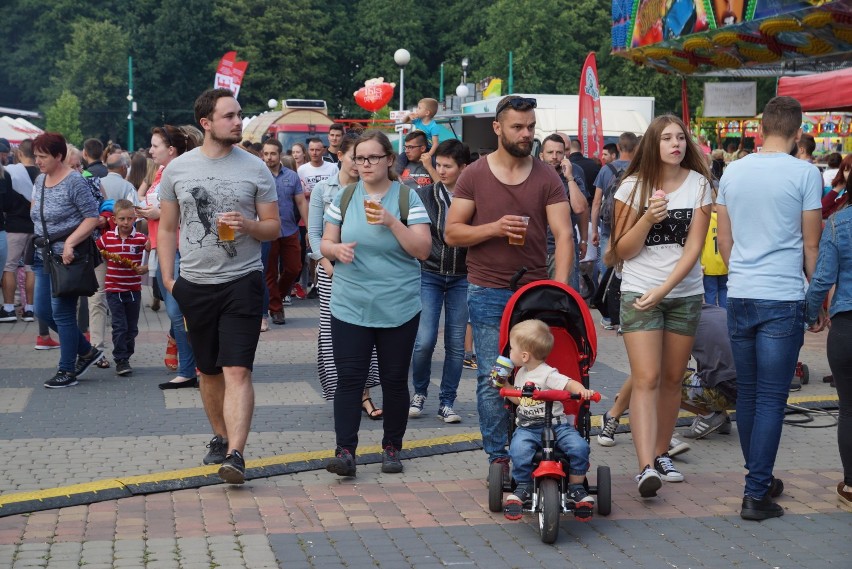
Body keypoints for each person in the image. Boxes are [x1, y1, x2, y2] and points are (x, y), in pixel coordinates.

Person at [445, 95, 574, 479]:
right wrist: (495, 227)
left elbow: (564, 235)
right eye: (518, 127)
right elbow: (452, 233)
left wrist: (561, 290)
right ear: (498, 128)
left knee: (538, 372)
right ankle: (498, 456)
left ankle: (534, 442)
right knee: (494, 377)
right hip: (487, 290)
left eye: (531, 126)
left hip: (534, 292)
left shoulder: (547, 176)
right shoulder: (475, 175)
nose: (527, 134)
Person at [158, 88, 280, 485]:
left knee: (237, 370)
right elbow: (168, 227)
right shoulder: (178, 170)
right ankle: (220, 435)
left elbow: (274, 227)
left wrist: (248, 225)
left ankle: (236, 454)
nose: (238, 121)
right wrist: (168, 278)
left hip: (242, 281)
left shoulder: (256, 168)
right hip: (194, 283)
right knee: (208, 370)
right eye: (229, 116)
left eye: (239, 114)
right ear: (207, 123)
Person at [716, 96, 823, 521]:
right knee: (772, 398)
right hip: (782, 296)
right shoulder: (805, 173)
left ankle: (759, 477)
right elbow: (811, 244)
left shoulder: (734, 172)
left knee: (750, 393)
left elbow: (724, 242)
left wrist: (742, 270)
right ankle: (756, 492)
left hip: (740, 293)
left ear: (761, 129)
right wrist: (818, 299)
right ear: (798, 134)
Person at [606, 114, 712, 497]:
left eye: (680, 138)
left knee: (672, 378)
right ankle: (645, 466)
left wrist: (666, 289)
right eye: (667, 138)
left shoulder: (699, 185)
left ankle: (662, 451)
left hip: (682, 294)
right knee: (647, 378)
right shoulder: (632, 187)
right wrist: (648, 218)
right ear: (654, 144)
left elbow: (694, 248)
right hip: (639, 293)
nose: (676, 144)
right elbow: (621, 250)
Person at [321, 130, 431, 477]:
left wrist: (390, 221)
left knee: (395, 380)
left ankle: (392, 448)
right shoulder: (343, 196)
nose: (365, 164)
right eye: (359, 158)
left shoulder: (407, 198)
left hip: (398, 305)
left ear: (388, 159)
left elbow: (423, 250)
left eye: (372, 157)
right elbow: (325, 240)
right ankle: (345, 451)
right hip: (351, 304)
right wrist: (334, 251)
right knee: (349, 379)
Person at [308, 133, 382, 415]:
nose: (360, 164)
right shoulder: (323, 190)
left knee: (367, 333)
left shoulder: (372, 189)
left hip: (366, 273)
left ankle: (363, 393)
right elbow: (314, 235)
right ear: (339, 156)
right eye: (355, 157)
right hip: (333, 274)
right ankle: (347, 393)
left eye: (366, 158)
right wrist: (328, 267)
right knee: (333, 334)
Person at [502, 319, 596, 521]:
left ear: (524, 355)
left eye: (511, 349)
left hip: (557, 425)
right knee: (518, 450)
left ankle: (577, 487)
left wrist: (581, 391)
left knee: (579, 447)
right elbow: (519, 400)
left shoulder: (547, 373)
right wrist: (506, 384)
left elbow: (568, 383)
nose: (509, 353)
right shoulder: (521, 375)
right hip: (528, 427)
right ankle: (523, 485)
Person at [30, 132, 104, 388]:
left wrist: (70, 243)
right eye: (36, 156)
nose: (38, 161)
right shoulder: (40, 180)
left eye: (43, 156)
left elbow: (92, 216)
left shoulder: (74, 181)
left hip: (67, 258)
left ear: (58, 156)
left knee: (62, 314)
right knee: (42, 310)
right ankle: (86, 350)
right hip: (43, 255)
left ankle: (67, 370)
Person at [409, 139, 471, 424]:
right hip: (429, 273)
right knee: (424, 341)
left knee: (456, 344)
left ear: (464, 168)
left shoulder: (474, 197)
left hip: (463, 276)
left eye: (448, 166)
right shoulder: (423, 195)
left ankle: (447, 401)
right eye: (439, 165)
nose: (442, 171)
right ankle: (419, 392)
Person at [135, 125, 200, 389]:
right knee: (176, 313)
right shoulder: (162, 172)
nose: (150, 150)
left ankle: (191, 368)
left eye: (155, 145)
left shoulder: (183, 171)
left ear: (171, 149)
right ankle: (191, 367)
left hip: (180, 249)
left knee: (178, 311)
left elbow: (189, 206)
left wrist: (157, 213)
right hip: (163, 249)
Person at [804, 168, 852, 509]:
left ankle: (851, 487)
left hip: (847, 326)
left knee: (849, 410)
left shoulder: (839, 222)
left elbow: (822, 279)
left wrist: (811, 314)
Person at [95, 199, 149, 375]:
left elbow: (154, 253)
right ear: (114, 219)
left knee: (132, 328)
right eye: (122, 219)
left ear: (135, 219)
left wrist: (147, 267)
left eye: (130, 219)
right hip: (114, 289)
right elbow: (96, 251)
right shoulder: (107, 238)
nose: (126, 223)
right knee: (120, 325)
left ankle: (127, 353)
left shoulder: (141, 239)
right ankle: (121, 359)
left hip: (133, 289)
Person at [262, 138, 307, 326]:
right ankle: (276, 308)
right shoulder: (259, 176)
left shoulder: (292, 176)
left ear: (280, 155)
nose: (269, 157)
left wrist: (310, 229)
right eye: (265, 154)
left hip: (290, 229)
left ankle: (275, 300)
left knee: (294, 268)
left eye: (273, 153)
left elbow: (301, 202)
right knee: (269, 272)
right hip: (267, 231)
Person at [539, 134, 588, 289]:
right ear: (541, 155)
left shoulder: (573, 175)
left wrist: (569, 178)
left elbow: (580, 208)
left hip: (563, 248)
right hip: (535, 250)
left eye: (559, 153)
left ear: (565, 155)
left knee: (565, 299)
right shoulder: (531, 175)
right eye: (550, 152)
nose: (554, 157)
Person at [1, 140, 37, 325]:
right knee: (31, 268)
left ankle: (8, 308)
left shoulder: (10, 173)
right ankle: (30, 308)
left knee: (9, 266)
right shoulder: (42, 173)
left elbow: (5, 203)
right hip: (35, 227)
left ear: (20, 153)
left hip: (14, 227)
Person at [701, 196, 728, 307]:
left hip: (708, 265)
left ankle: (712, 319)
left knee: (710, 293)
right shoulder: (727, 219)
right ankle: (724, 318)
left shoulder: (705, 220)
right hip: (725, 264)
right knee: (724, 291)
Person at [822, 154, 851, 219]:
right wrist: (837, 189)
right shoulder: (845, 197)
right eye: (847, 170)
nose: (850, 174)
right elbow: (822, 212)